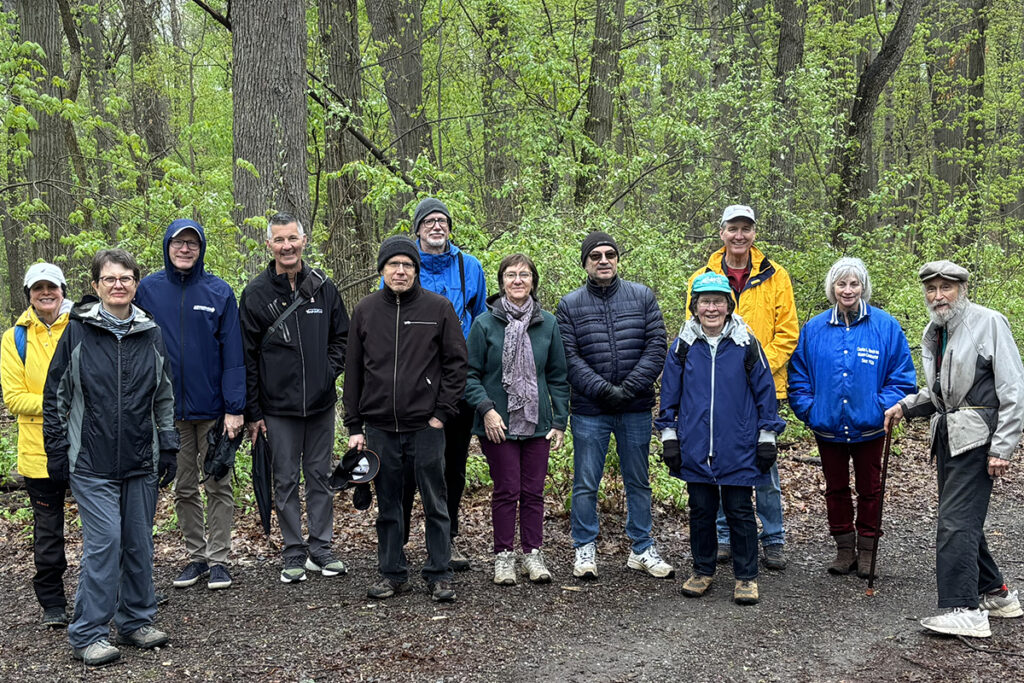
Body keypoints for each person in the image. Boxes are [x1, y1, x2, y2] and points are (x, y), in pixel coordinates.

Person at [43, 249, 177, 666]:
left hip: (140, 459)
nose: (118, 285)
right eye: (109, 278)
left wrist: (169, 443)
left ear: (136, 283)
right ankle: (87, 633)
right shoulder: (79, 331)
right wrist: (56, 450)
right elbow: (56, 395)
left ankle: (135, 620)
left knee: (138, 544)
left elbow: (164, 394)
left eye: (125, 278)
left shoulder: (150, 332)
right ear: (97, 285)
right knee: (105, 544)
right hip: (91, 462)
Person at [884, 260, 1024, 639]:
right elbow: (943, 392)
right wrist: (906, 406)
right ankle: (997, 594)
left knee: (955, 523)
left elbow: (1013, 389)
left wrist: (1003, 447)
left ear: (962, 289)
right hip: (950, 435)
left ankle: (964, 609)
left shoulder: (988, 322)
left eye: (946, 287)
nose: (938, 295)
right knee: (961, 519)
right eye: (931, 289)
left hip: (979, 437)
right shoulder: (939, 329)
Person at [344, 236, 468, 602]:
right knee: (389, 503)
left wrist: (441, 414)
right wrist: (354, 427)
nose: (400, 271)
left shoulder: (438, 308)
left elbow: (457, 365)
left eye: (407, 265)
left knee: (435, 501)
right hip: (380, 427)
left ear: (417, 270)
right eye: (393, 265)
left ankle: (439, 572)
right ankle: (393, 572)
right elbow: (353, 371)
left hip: (426, 425)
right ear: (382, 270)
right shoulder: (366, 311)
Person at [656, 273, 784, 605]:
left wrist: (767, 436)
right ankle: (702, 570)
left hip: (738, 443)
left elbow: (765, 392)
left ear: (729, 305)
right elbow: (669, 392)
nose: (711, 308)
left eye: (718, 302)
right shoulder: (683, 345)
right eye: (704, 302)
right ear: (694, 306)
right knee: (701, 510)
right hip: (695, 443)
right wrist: (669, 435)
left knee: (739, 509)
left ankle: (746, 577)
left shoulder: (746, 343)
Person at [135, 219, 245, 591]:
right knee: (183, 487)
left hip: (214, 411)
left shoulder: (219, 292)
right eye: (178, 243)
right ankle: (196, 556)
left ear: (201, 249)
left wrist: (235, 407)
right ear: (167, 246)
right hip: (166, 412)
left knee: (218, 484)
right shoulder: (147, 290)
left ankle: (219, 560)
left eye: (192, 244)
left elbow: (233, 354)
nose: (185, 249)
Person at [788, 257, 916, 577]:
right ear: (832, 287)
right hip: (828, 426)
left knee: (871, 489)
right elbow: (798, 377)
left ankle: (868, 549)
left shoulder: (885, 326)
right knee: (836, 489)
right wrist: (810, 410)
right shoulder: (815, 328)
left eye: (854, 283)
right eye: (841, 283)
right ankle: (844, 549)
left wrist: (879, 408)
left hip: (871, 427)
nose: (848, 290)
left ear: (863, 287)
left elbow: (902, 377)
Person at [239, 213, 349, 584]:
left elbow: (342, 339)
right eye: (279, 240)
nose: (287, 246)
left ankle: (321, 548)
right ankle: (293, 551)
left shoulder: (323, 287)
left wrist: (326, 371)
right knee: (284, 479)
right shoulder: (255, 294)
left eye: (292, 239)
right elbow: (247, 357)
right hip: (277, 407)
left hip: (320, 404)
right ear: (268, 246)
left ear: (304, 240)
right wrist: (254, 411)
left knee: (320, 476)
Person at [687, 204, 798, 570]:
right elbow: (695, 334)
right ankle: (722, 538)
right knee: (716, 460)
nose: (739, 235)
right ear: (721, 232)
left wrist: (754, 368)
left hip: (764, 390)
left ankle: (774, 537)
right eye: (732, 228)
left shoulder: (776, 275)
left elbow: (788, 332)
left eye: (746, 229)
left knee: (764, 468)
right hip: (716, 390)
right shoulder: (701, 276)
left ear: (754, 233)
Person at [556, 231, 672, 580]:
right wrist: (605, 390)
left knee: (638, 480)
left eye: (609, 254)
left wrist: (629, 388)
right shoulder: (569, 304)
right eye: (595, 256)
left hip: (635, 407)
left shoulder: (642, 296)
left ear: (618, 259)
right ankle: (584, 548)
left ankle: (641, 547)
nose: (603, 260)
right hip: (591, 409)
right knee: (586, 481)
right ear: (586, 263)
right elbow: (569, 357)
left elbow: (656, 345)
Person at [465, 254, 569, 586]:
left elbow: (557, 375)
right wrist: (487, 409)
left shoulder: (548, 324)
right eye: (511, 275)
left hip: (537, 423)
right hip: (499, 424)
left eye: (525, 275)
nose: (518, 280)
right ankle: (504, 556)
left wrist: (559, 420)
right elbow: (469, 375)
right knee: (507, 489)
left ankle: (533, 554)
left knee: (534, 491)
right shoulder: (484, 324)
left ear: (534, 282)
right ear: (502, 283)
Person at [400, 198, 487, 571]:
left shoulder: (471, 268)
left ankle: (446, 540)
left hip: (457, 382)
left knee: (452, 465)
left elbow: (483, 324)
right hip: (410, 383)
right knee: (403, 465)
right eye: (429, 221)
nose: (437, 227)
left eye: (443, 221)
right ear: (417, 229)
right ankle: (397, 541)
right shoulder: (403, 266)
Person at [1, 263, 73, 627]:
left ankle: (120, 593)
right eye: (37, 288)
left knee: (105, 527)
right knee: (48, 533)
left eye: (52, 287)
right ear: (28, 294)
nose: (46, 293)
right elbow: (14, 398)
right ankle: (53, 604)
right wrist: (63, 402)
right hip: (38, 452)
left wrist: (46, 399)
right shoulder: (14, 337)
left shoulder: (82, 325)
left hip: (85, 446)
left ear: (63, 289)